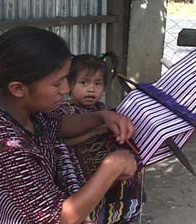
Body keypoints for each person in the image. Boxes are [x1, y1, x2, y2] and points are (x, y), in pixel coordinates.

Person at [0, 26, 137, 224]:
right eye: (57, 84)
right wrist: (113, 166)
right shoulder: (5, 148)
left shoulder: (9, 102)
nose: (65, 89)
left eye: (66, 79)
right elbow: (62, 217)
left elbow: (59, 125)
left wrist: (101, 117)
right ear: (18, 88)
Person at [55, 54, 143, 224]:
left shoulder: (107, 110)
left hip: (111, 181)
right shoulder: (64, 112)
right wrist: (94, 132)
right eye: (84, 83)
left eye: (98, 83)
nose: (91, 89)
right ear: (69, 84)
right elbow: (63, 143)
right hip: (81, 179)